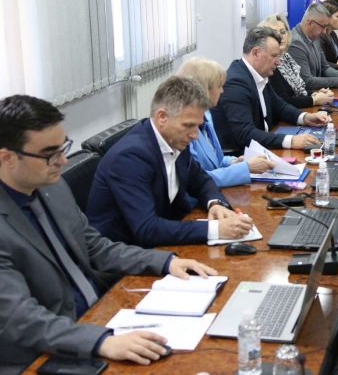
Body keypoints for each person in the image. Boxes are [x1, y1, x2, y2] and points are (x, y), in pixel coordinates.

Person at [0, 95, 217, 371]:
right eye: (50, 154)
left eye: (63, 147)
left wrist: (165, 262)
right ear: (7, 158)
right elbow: (20, 318)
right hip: (42, 350)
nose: (63, 160)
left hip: (102, 313)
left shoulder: (52, 187)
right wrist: (101, 341)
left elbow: (95, 246)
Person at [88, 76, 253, 247]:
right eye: (188, 125)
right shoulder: (129, 157)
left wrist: (215, 204)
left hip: (163, 239)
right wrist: (215, 229)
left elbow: (201, 180)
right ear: (162, 117)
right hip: (126, 253)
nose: (195, 135)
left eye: (197, 126)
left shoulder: (175, 139)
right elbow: (147, 229)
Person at [211, 27, 329, 153]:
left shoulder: (259, 73)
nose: (278, 62)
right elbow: (245, 133)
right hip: (241, 156)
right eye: (274, 56)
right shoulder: (235, 83)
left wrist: (305, 117)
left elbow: (279, 106)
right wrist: (290, 141)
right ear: (256, 53)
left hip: (262, 148)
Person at [176, 57, 276, 187]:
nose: (222, 91)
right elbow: (197, 179)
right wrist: (245, 168)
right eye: (219, 86)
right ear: (204, 89)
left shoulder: (206, 115)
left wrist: (235, 162)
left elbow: (217, 160)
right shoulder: (183, 128)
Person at [259, 14, 334, 108]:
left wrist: (315, 94)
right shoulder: (269, 63)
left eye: (283, 32)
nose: (280, 37)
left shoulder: (286, 57)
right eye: (274, 34)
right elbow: (283, 100)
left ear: (288, 34)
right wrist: (313, 100)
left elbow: (298, 90)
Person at [288, 3, 338, 91]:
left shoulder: (314, 37)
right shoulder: (295, 43)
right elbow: (307, 82)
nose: (325, 32)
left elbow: (325, 68)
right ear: (311, 23)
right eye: (323, 26)